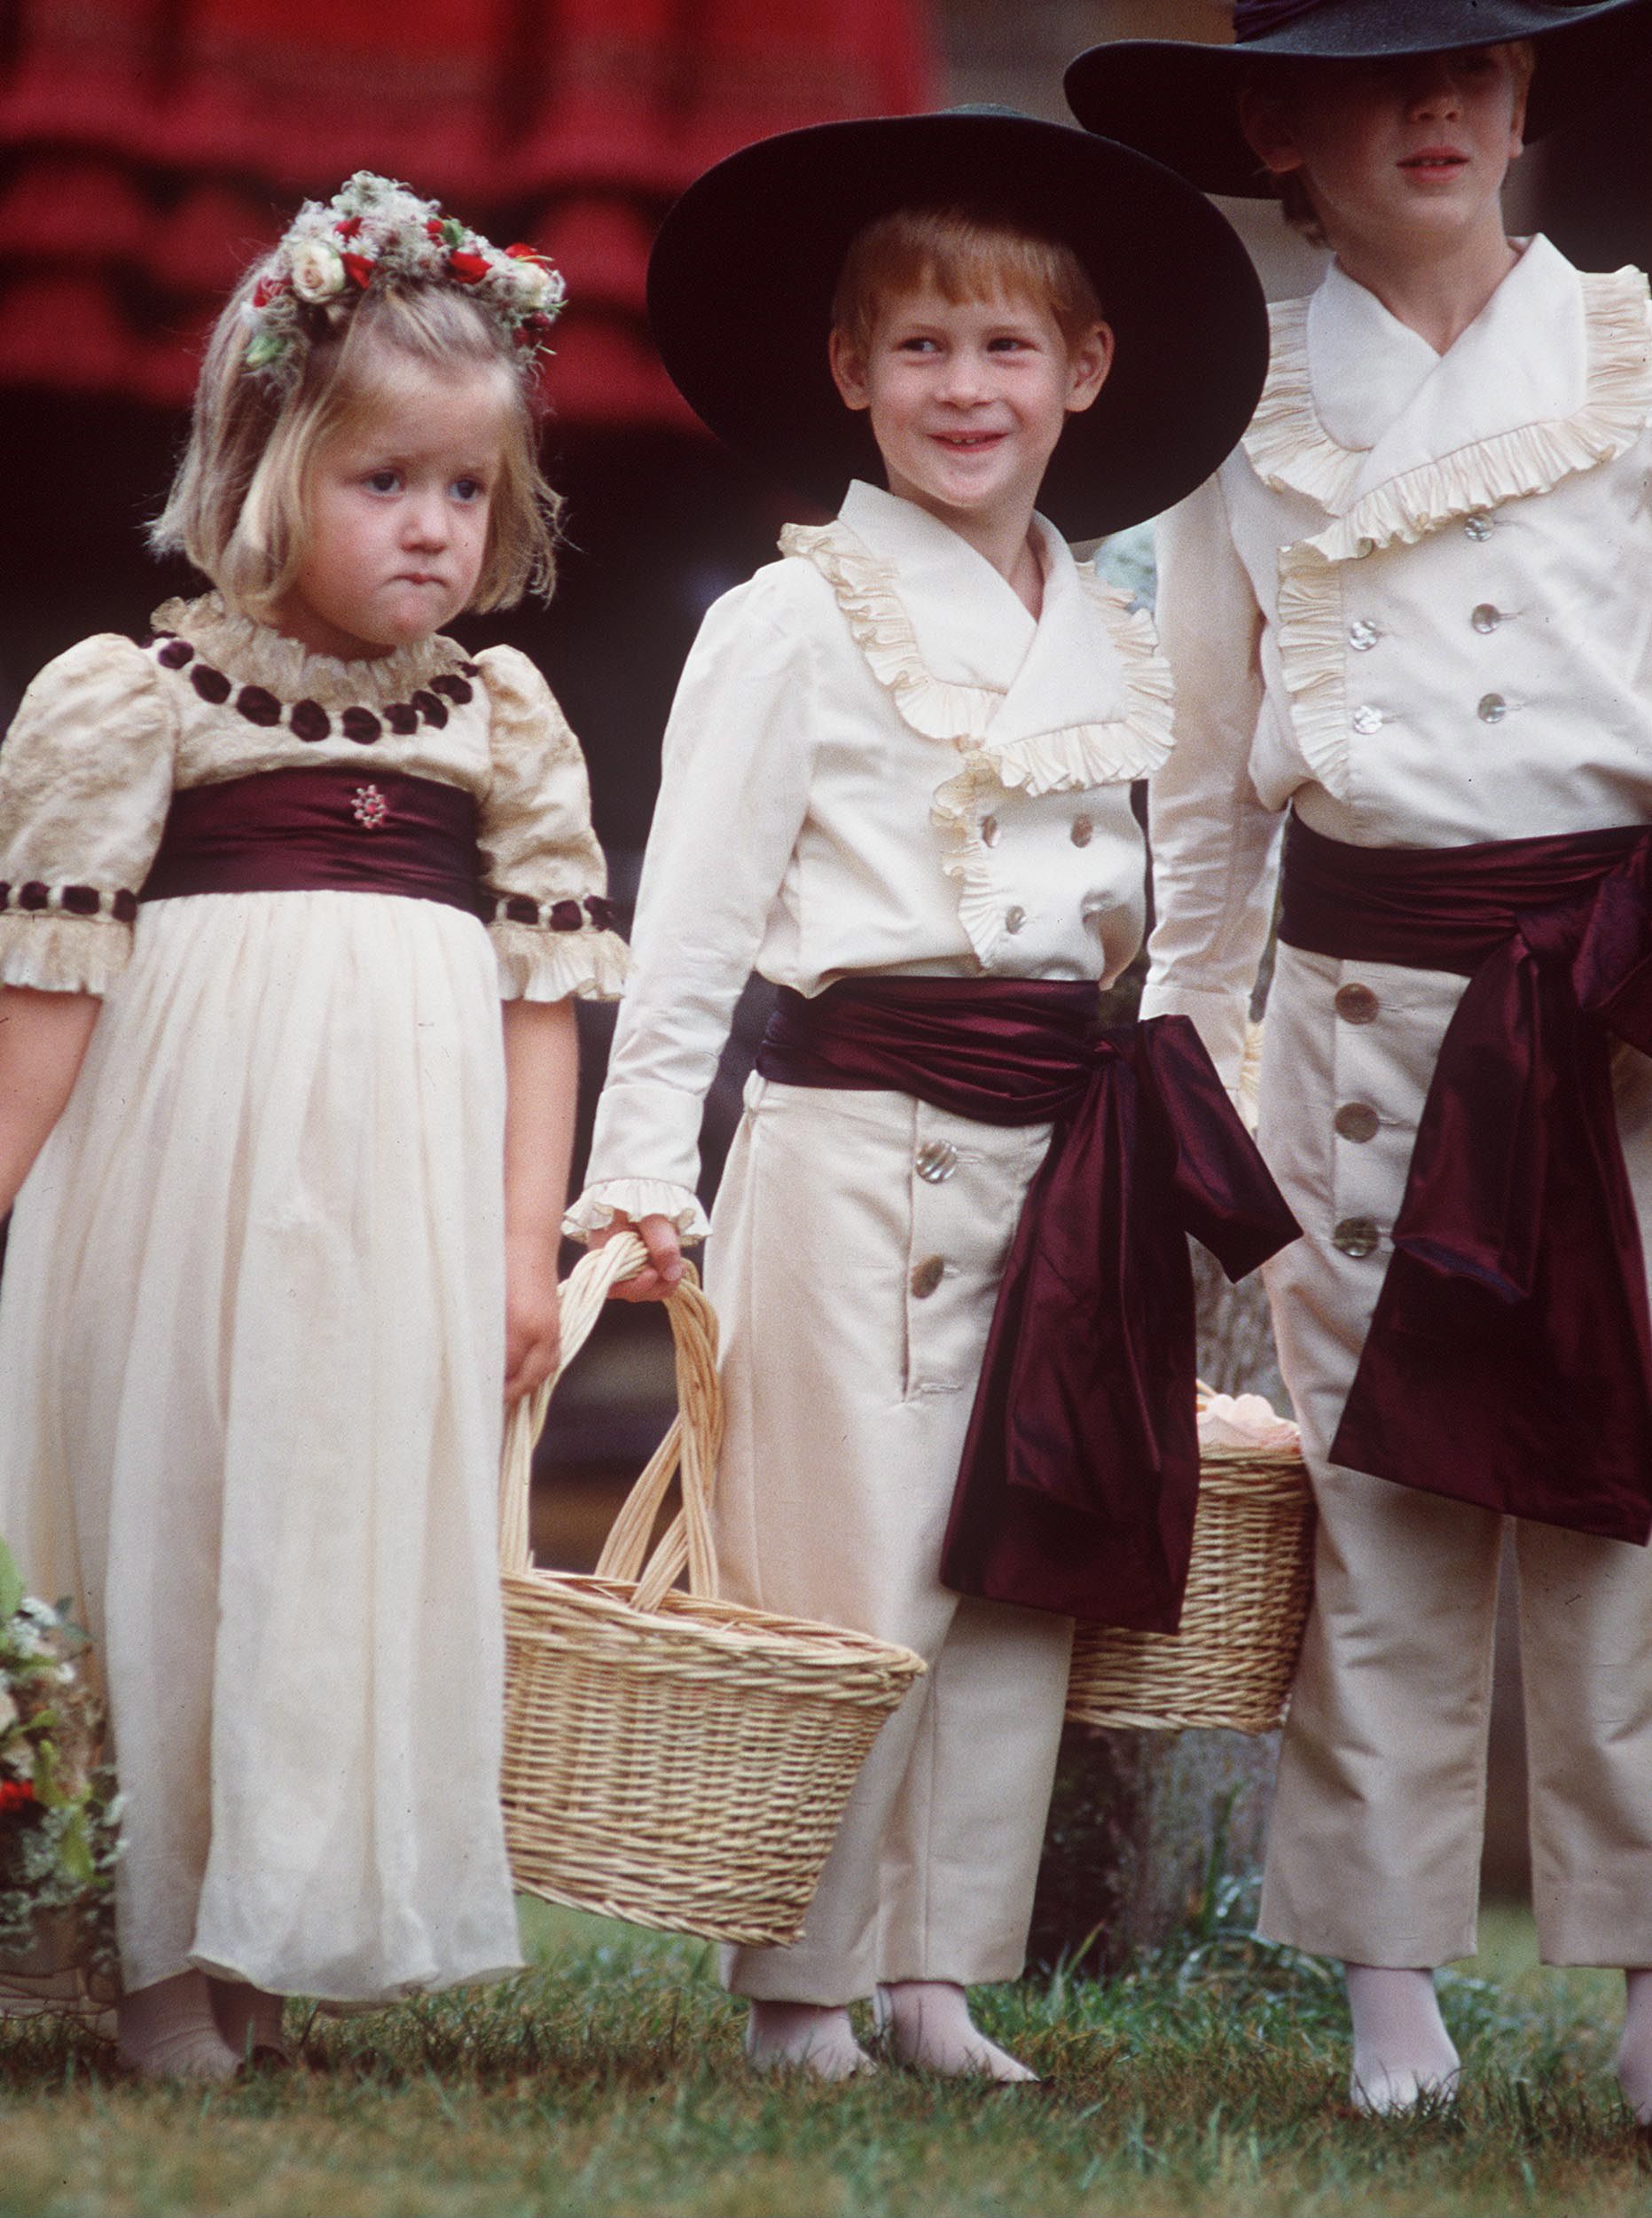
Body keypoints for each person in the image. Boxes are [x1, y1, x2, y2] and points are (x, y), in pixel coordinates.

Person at [566, 109, 1290, 2082]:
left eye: (1000, 350)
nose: (959, 391)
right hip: (855, 1146)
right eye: (914, 350)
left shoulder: (1117, 639)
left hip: (1060, 1159)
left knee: (1010, 1562)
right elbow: (693, 928)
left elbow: (1153, 926)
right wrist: (642, 1179)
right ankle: (798, 1985)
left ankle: (934, 1977)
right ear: (846, 373)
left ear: (1083, 373)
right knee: (849, 1561)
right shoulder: (789, 617)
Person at [1067, 0, 1652, 2117]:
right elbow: (1208, 779)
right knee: (1376, 1494)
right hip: (1362, 1019)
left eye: (1474, 66)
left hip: (1609, 1015)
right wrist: (1186, 1030)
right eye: (1375, 70)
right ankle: (1383, 1977)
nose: (1433, 107)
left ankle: (1643, 1975)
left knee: (1624, 1500)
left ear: (1520, 104)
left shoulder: (1629, 357)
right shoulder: (1239, 414)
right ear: (1270, 125)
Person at [0, 171, 627, 2078]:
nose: (429, 529)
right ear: (265, 468)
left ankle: (264, 1919)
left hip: (405, 1206)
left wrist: (527, 1244)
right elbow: (47, 997)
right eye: (383, 484)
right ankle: (152, 1957)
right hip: (182, 1188)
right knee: (179, 1512)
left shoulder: (498, 721)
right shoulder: (138, 699)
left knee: (332, 1532)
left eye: (463, 492)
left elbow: (541, 1006)